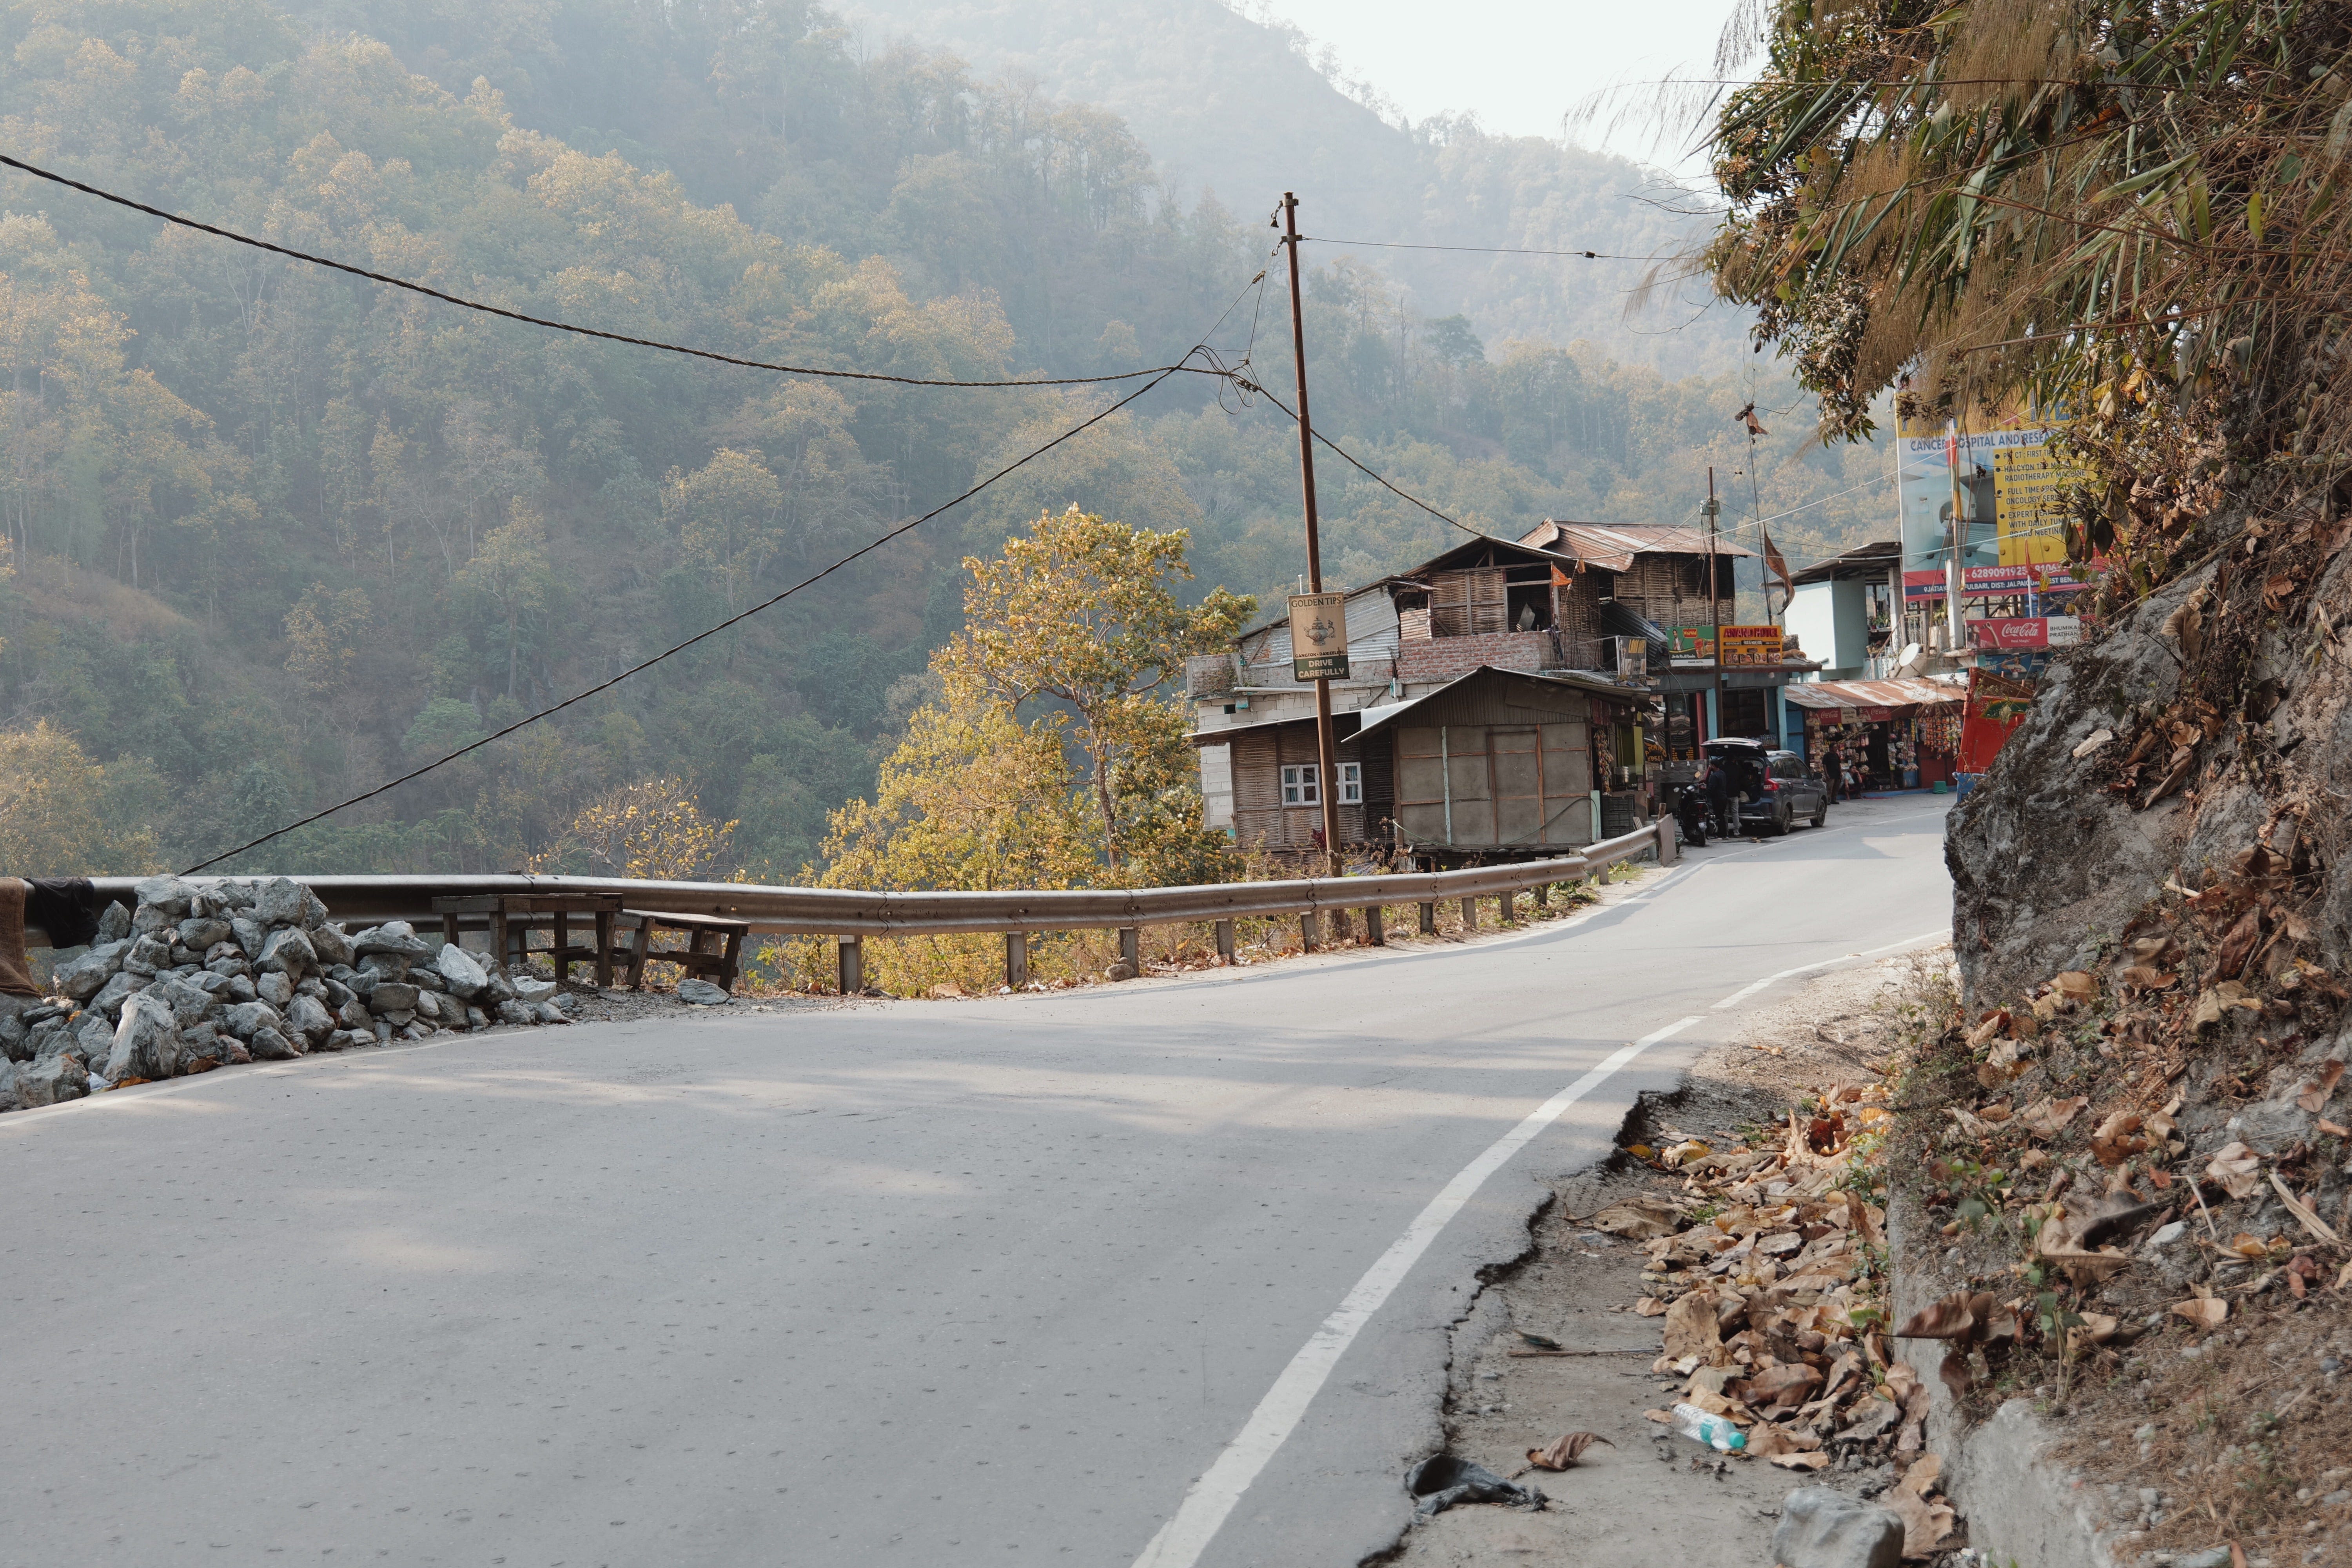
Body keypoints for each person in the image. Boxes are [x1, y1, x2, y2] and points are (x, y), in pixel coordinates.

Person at [1704, 757, 1733, 838]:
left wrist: (1706, 794)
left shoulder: (1715, 776)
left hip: (1717, 798)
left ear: (1714, 766)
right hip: (1724, 797)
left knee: (1719, 816)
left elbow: (1712, 788)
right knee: (1722, 816)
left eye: (1711, 766)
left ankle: (1722, 834)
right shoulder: (1723, 773)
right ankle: (1724, 834)